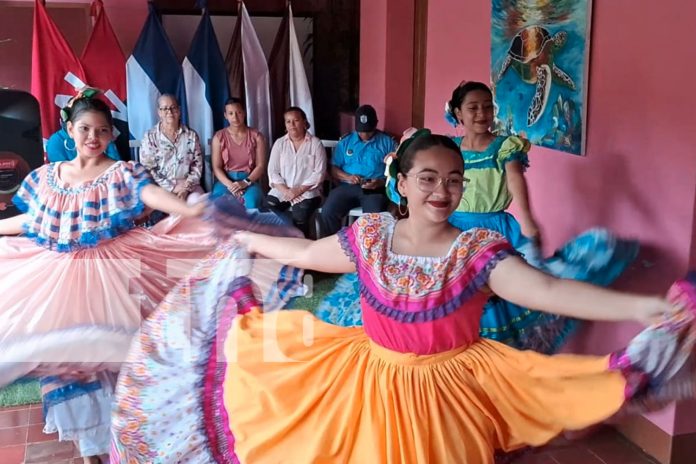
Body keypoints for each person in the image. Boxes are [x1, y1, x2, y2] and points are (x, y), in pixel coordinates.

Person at [111, 130, 696, 463]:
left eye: (454, 179)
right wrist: (245, 239)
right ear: (402, 183)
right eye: (430, 178)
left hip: (452, 392)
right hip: (366, 381)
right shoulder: (370, 236)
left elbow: (547, 289)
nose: (443, 190)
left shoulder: (478, 249)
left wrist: (640, 307)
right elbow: (308, 256)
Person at [317, 82, 639, 353]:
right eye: (473, 108)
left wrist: (527, 220)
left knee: (499, 300)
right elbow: (417, 173)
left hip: (492, 228)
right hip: (452, 227)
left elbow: (515, 180)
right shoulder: (450, 147)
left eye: (487, 107)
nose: (482, 114)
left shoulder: (504, 147)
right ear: (458, 114)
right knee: (443, 301)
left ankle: (484, 363)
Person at [0, 96, 218, 463]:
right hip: (58, 281)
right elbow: (34, 221)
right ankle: (89, 453)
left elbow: (148, 194)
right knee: (69, 365)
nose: (93, 137)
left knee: (117, 360)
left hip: (111, 272)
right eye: (85, 129)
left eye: (102, 130)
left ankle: (126, 442)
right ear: (69, 131)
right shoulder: (48, 176)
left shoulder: (120, 173)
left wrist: (189, 208)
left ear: (110, 134)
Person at [317, 104, 397, 236]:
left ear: (375, 125)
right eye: (361, 131)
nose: (364, 135)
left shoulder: (387, 142)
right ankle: (334, 247)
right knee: (328, 211)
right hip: (348, 186)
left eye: (368, 131)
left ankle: (367, 251)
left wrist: (381, 182)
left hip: (374, 189)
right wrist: (347, 177)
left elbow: (395, 170)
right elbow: (333, 169)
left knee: (373, 218)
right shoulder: (345, 142)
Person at [266, 106, 326, 237]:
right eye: (288, 121)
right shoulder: (280, 143)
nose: (292, 125)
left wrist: (298, 190)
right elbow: (273, 171)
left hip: (308, 191)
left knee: (300, 214)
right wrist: (287, 191)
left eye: (296, 120)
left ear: (304, 123)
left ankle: (301, 246)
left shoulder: (315, 144)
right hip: (283, 190)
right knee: (268, 208)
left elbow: (319, 173)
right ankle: (280, 244)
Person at [140, 94, 204, 201]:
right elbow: (148, 169)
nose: (169, 112)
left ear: (179, 110)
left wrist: (185, 189)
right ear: (159, 112)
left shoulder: (191, 135)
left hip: (188, 186)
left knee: (198, 204)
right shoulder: (150, 137)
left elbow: (197, 166)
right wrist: (172, 188)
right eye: (164, 109)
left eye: (173, 107)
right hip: (160, 187)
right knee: (174, 210)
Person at [211, 98, 267, 208]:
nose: (235, 117)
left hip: (249, 180)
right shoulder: (218, 137)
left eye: (239, 113)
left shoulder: (257, 136)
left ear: (244, 113)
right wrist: (231, 186)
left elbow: (260, 166)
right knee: (219, 204)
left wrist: (245, 183)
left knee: (252, 202)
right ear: (225, 115)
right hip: (225, 182)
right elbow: (216, 167)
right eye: (231, 113)